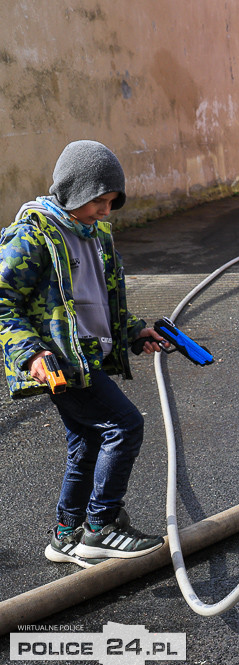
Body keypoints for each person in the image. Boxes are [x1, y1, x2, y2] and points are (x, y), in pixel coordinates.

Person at [0, 140, 167, 569]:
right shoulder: (33, 233)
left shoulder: (96, 234)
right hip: (60, 363)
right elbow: (3, 301)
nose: (106, 211)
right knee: (124, 425)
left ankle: (66, 534)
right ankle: (101, 527)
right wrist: (31, 353)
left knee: (88, 441)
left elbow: (104, 299)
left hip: (88, 357)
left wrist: (133, 331)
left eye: (111, 202)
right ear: (74, 190)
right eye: (99, 201)